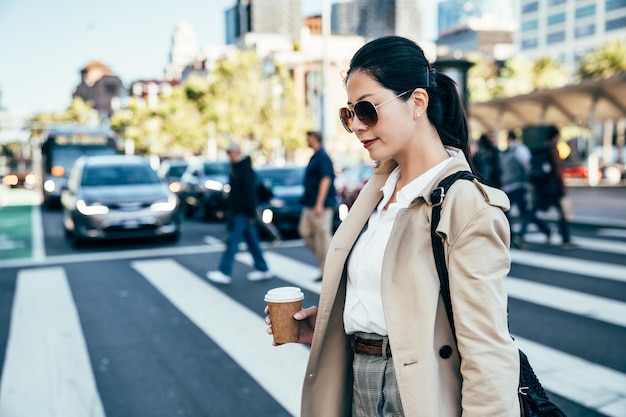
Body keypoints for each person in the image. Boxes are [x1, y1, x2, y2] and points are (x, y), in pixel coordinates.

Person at [265, 36, 520, 416]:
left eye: (366, 109)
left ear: (417, 102)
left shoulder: (465, 205)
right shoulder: (376, 194)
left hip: (416, 393)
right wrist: (335, 323)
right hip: (358, 380)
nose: (357, 126)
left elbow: (488, 352)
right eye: (348, 114)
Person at [206, 143, 273, 284]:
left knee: (233, 242)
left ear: (236, 152)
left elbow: (248, 193)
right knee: (252, 241)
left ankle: (224, 271)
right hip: (241, 211)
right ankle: (263, 268)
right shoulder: (237, 167)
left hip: (242, 212)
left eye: (230, 152)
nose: (228, 156)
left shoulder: (243, 169)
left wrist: (251, 214)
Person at [524, 126, 576, 249]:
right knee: (562, 212)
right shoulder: (553, 150)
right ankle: (566, 240)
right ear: (556, 137)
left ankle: (523, 234)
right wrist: (563, 188)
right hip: (553, 187)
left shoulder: (540, 149)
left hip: (541, 187)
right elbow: (558, 171)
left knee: (532, 211)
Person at [298, 131, 337, 278]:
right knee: (305, 232)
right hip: (309, 203)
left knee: (323, 237)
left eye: (308, 138)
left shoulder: (322, 157)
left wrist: (319, 203)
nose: (307, 140)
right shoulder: (314, 156)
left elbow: (326, 179)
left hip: (321, 204)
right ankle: (325, 263)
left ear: (314, 139)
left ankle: (329, 271)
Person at [500, 130, 532, 249]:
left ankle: (519, 235)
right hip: (511, 186)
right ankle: (515, 236)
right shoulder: (510, 151)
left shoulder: (519, 150)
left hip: (519, 186)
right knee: (519, 212)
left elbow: (527, 166)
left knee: (524, 212)